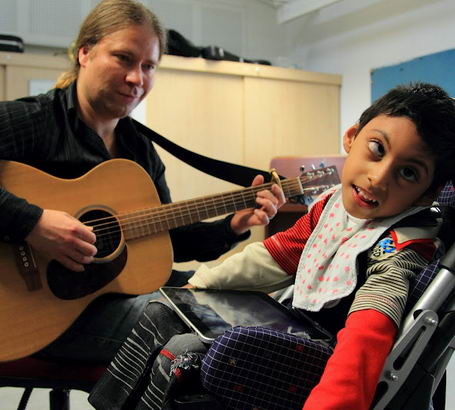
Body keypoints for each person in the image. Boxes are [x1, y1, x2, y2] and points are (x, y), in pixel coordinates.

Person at [88, 82, 455, 410]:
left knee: (184, 352)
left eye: (408, 173)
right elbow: (274, 255)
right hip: (297, 327)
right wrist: (202, 281)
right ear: (351, 137)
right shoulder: (331, 207)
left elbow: (365, 339)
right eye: (377, 149)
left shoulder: (402, 248)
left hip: (328, 356)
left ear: (428, 193)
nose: (379, 177)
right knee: (161, 310)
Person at [0, 0, 285, 364]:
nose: (137, 78)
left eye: (148, 66)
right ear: (85, 53)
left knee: (239, 308)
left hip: (102, 298)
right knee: (186, 332)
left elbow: (163, 241)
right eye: (123, 58)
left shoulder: (139, 149)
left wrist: (231, 225)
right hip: (32, 313)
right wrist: (33, 223)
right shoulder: (35, 122)